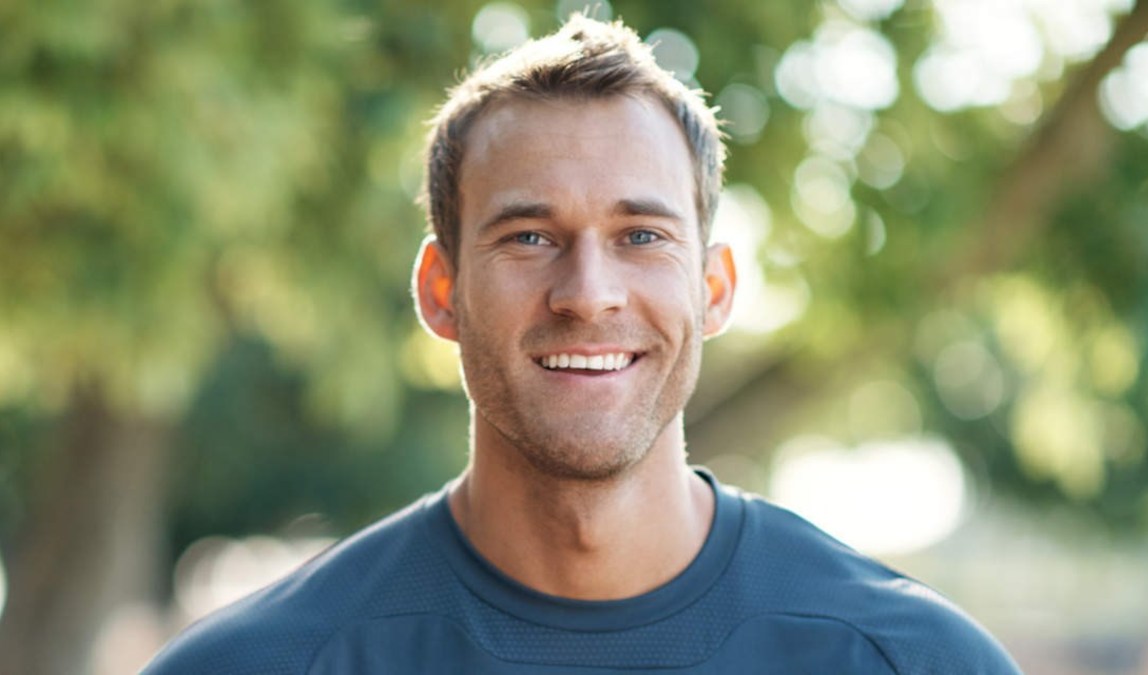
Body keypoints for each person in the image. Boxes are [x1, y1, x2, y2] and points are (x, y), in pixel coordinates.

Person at [144, 15, 1022, 674]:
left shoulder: (910, 662)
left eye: (642, 236)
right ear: (440, 291)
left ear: (712, 289)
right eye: (529, 237)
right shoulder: (259, 666)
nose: (588, 293)